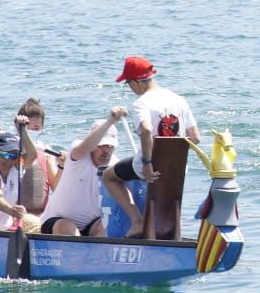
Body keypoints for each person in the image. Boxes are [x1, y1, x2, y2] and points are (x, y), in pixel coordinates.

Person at [104, 55, 199, 239]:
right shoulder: (179, 99)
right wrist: (172, 151)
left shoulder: (142, 103)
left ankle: (137, 222)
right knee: (167, 196)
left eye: (127, 83)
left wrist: (148, 163)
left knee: (109, 176)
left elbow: (147, 131)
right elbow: (195, 137)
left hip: (149, 166)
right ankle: (171, 236)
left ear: (136, 82)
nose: (129, 88)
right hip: (178, 167)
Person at [41, 106, 128, 237]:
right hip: (57, 220)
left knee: (109, 228)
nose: (106, 152)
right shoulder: (78, 154)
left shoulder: (114, 165)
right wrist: (110, 121)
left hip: (91, 224)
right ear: (93, 146)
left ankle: (97, 256)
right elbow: (85, 146)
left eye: (110, 147)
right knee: (68, 229)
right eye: (101, 146)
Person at [15, 97, 56, 217]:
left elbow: (55, 186)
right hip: (16, 213)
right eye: (30, 128)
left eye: (37, 128)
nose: (34, 131)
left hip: (41, 213)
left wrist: (63, 166)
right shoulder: (11, 147)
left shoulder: (47, 151)